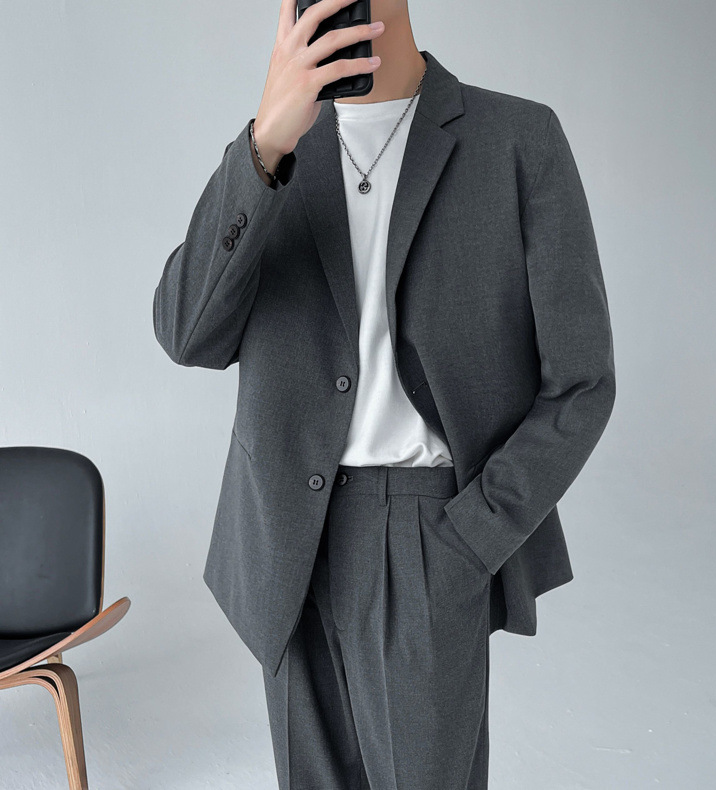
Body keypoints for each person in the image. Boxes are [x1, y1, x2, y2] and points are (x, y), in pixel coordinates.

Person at [152, 0, 616, 787]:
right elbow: (186, 334)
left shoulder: (516, 139)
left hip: (428, 534)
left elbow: (581, 383)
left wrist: (470, 538)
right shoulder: (274, 154)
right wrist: (265, 144)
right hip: (284, 542)